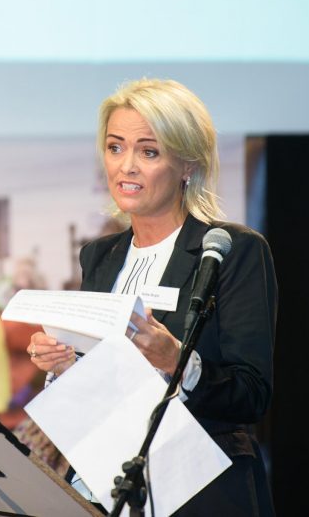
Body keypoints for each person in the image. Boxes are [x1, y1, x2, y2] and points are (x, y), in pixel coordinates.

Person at [28, 78, 277, 516]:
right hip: (110, 487)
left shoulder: (231, 251)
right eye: (115, 147)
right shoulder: (99, 256)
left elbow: (252, 394)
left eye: (148, 151)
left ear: (187, 165)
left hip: (201, 490)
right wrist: (66, 363)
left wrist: (178, 360)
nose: (126, 166)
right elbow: (107, 386)